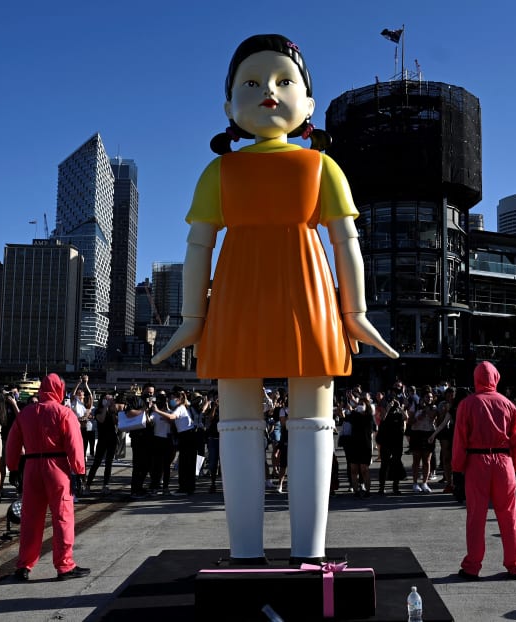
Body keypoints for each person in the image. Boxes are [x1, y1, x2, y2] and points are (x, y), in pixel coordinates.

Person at [151, 33, 398, 563]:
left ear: (308, 104)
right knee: (243, 420)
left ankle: (309, 551)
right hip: (244, 297)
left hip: (303, 294)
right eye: (253, 82)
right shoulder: (219, 172)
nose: (268, 90)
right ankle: (246, 551)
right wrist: (192, 317)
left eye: (284, 80)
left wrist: (354, 313)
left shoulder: (321, 167)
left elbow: (345, 241)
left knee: (308, 420)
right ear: (229, 107)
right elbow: (198, 247)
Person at [5, 373, 89, 581]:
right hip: (57, 468)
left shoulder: (25, 413)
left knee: (30, 518)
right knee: (62, 517)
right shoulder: (64, 413)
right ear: (59, 389)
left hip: (31, 467)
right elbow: (74, 445)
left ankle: (24, 565)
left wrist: (13, 467)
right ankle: (64, 565)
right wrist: (79, 471)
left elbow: (12, 442)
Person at [452, 361, 516, 581]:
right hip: (504, 462)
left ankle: (472, 566)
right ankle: (515, 565)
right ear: (496, 378)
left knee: (476, 516)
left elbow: (460, 439)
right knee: (509, 514)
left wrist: (457, 467)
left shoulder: (467, 404)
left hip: (477, 461)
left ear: (476, 378)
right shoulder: (508, 404)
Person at [85, 392, 120, 494]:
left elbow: (116, 423)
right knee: (97, 462)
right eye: (106, 399)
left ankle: (105, 485)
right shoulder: (98, 410)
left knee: (109, 463)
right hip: (102, 439)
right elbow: (101, 419)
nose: (108, 401)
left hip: (112, 438)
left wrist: (113, 410)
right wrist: (105, 407)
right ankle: (88, 485)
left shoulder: (113, 410)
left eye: (110, 399)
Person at [71, 376, 94, 458]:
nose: (80, 391)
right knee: (76, 444)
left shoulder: (87, 403)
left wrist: (86, 384)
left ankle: (83, 458)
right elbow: (72, 393)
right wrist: (78, 383)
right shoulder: (75, 401)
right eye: (79, 391)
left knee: (84, 444)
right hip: (77, 426)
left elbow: (90, 395)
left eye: (81, 391)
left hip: (85, 427)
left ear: (84, 395)